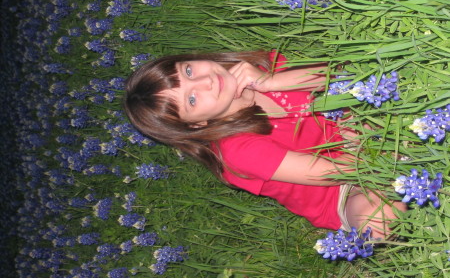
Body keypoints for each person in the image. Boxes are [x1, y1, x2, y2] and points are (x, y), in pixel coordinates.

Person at [124, 49, 406, 239]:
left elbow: (342, 74)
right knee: (379, 221)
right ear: (196, 125)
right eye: (192, 100)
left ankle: (401, 151)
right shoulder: (237, 151)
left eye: (187, 71)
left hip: (354, 126)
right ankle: (402, 159)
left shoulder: (260, 67)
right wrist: (360, 133)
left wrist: (273, 81)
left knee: (386, 78)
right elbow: (338, 172)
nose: (205, 81)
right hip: (339, 188)